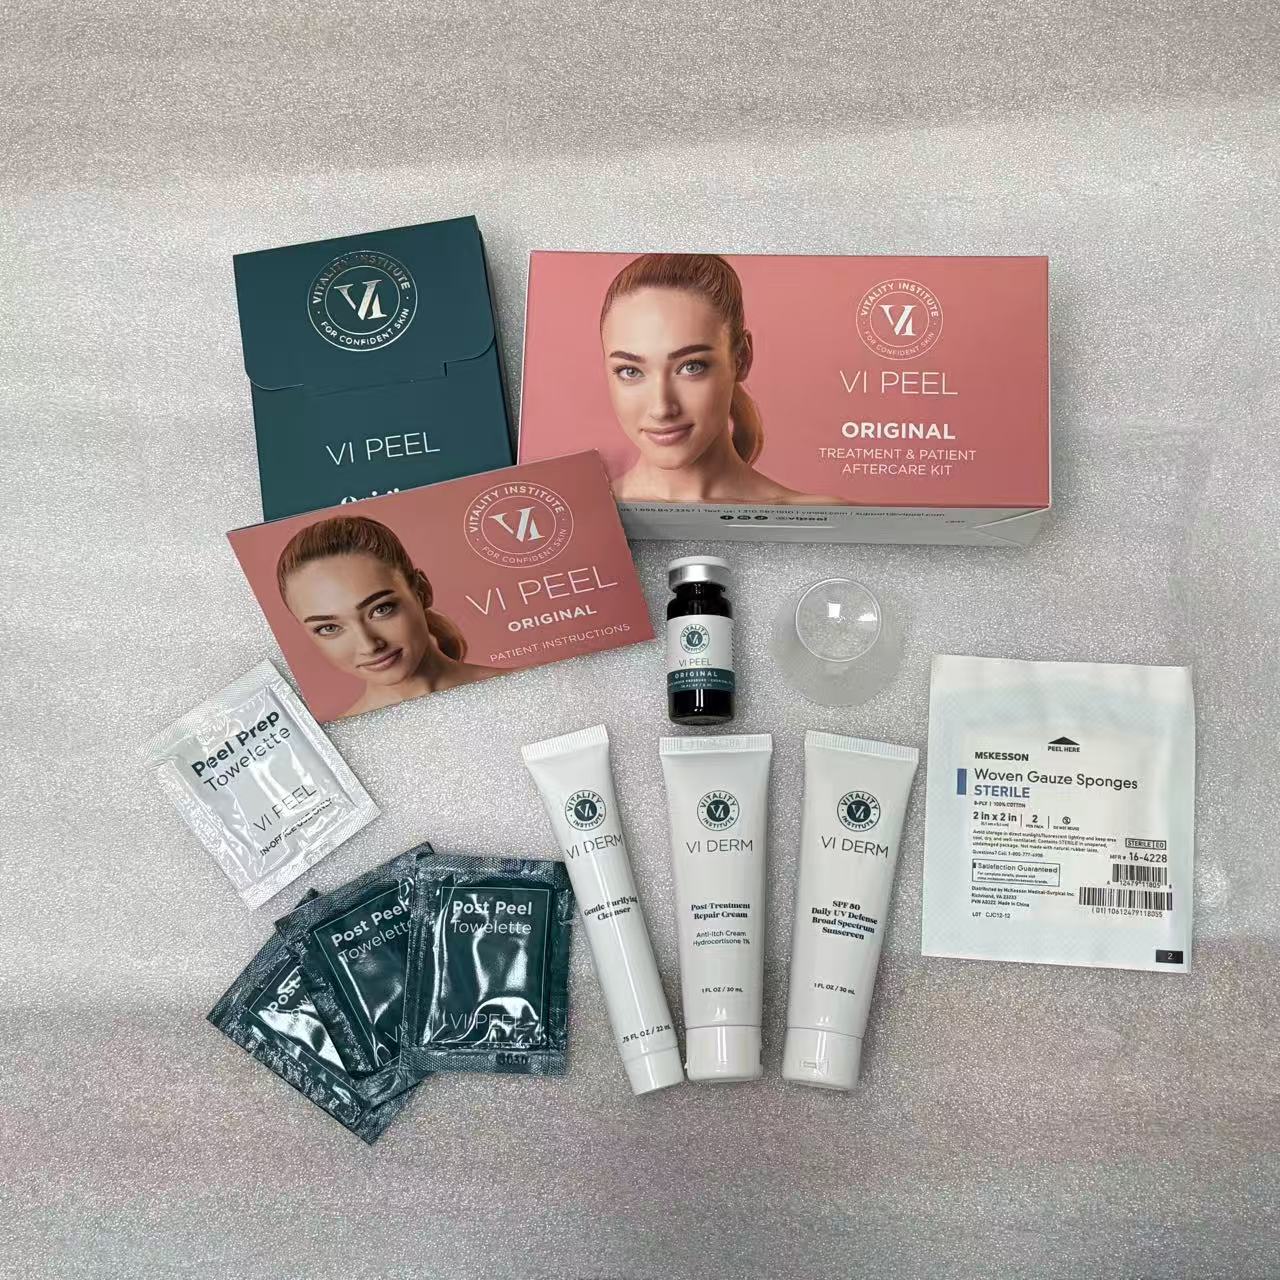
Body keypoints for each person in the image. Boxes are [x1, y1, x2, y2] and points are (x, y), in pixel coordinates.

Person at [600, 253, 839, 504]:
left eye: (691, 367)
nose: (662, 409)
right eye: (630, 371)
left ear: (741, 358)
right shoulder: (578, 515)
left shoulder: (828, 517)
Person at [276, 515, 500, 718]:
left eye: (381, 609)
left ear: (422, 591)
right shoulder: (336, 740)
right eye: (329, 628)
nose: (369, 646)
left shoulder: (516, 683)